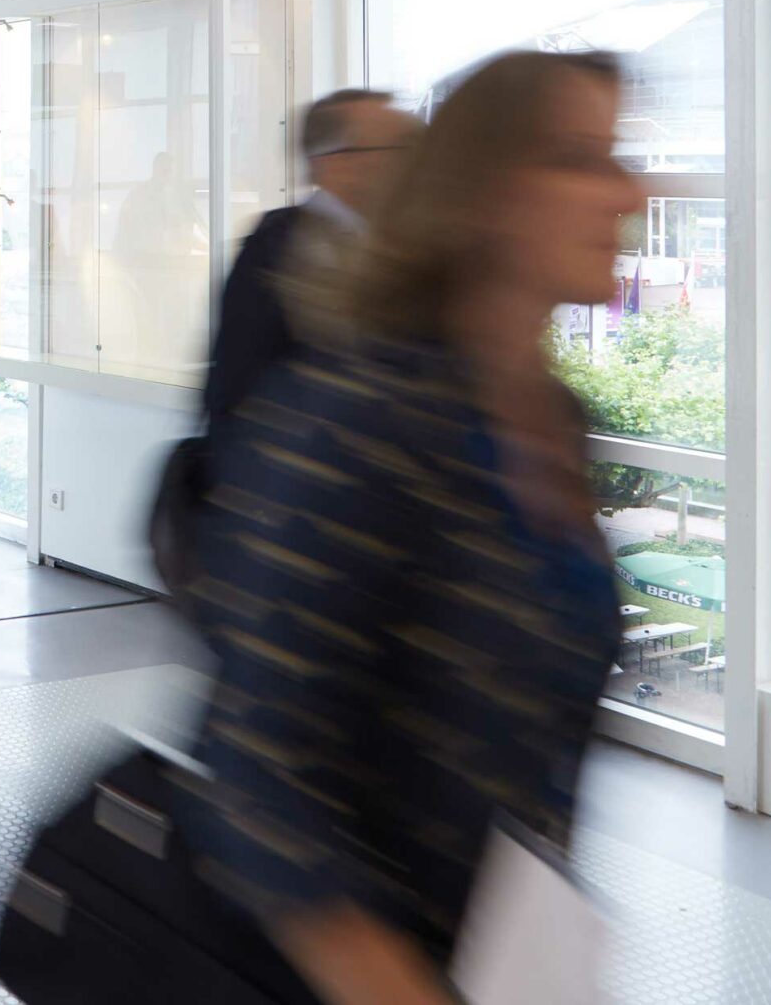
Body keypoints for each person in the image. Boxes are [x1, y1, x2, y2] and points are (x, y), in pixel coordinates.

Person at [174, 51, 633, 1005]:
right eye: (581, 158)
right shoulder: (358, 421)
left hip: (500, 950)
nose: (628, 190)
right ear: (485, 193)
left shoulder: (558, 421)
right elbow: (260, 781)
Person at [201, 88, 419, 428]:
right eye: (396, 148)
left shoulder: (405, 247)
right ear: (337, 163)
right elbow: (235, 393)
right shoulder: (275, 251)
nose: (409, 162)